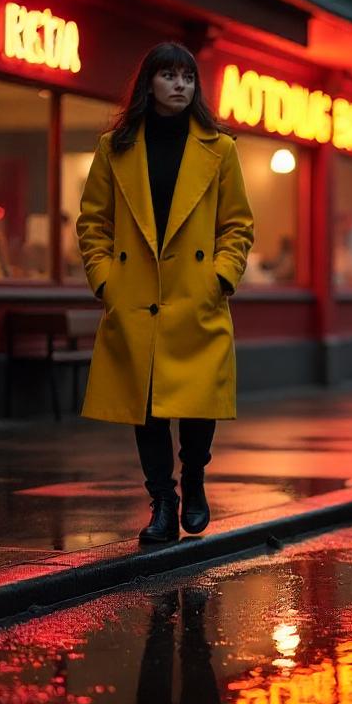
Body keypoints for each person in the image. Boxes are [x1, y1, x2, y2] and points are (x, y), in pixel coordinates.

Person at [76, 42, 254, 542]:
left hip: (196, 295)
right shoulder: (115, 147)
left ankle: (194, 478)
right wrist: (106, 281)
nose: (180, 85)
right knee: (147, 408)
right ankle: (162, 501)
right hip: (136, 297)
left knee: (198, 403)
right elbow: (93, 222)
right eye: (169, 76)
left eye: (188, 78)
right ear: (148, 83)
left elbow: (237, 225)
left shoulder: (220, 149)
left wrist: (220, 277)